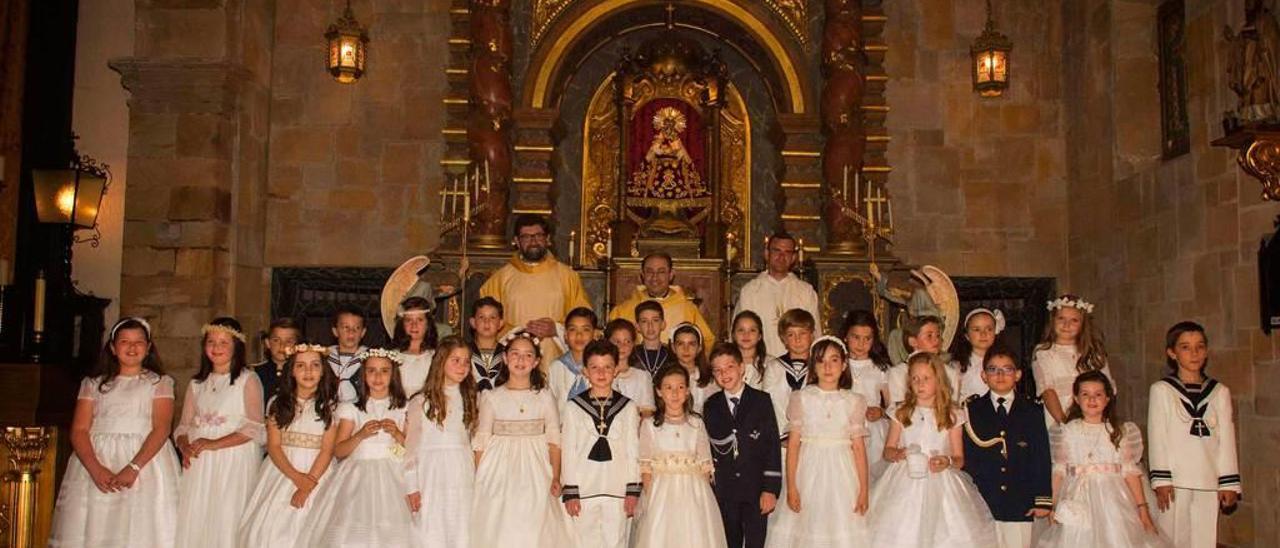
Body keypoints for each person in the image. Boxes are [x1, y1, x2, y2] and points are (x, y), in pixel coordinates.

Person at [49, 317, 181, 547]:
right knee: (97, 525)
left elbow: (161, 428)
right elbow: (79, 430)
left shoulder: (159, 382)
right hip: (98, 460)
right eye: (124, 342)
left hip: (145, 462)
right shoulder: (93, 384)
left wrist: (133, 467)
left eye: (139, 342)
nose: (132, 347)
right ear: (112, 347)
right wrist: (95, 468)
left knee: (139, 528)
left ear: (148, 347)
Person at [867, 352, 996, 547]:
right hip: (905, 478)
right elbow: (888, 450)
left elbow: (959, 458)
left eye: (926, 379)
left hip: (941, 480)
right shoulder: (901, 411)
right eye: (915, 379)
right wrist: (898, 453)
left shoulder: (952, 414)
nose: (920, 384)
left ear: (938, 381)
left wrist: (948, 461)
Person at [1037, 371, 1168, 548]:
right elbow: (1059, 471)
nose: (1092, 399)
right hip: (1077, 497)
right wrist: (1052, 505)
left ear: (1107, 399)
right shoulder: (1067, 432)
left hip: (1113, 500)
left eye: (1098, 394)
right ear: (1076, 398)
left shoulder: (1119, 431)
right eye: (1085, 394)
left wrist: (1142, 508)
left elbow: (1129, 472)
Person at [470, 331, 577, 547]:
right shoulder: (491, 397)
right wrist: (478, 478)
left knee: (535, 525)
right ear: (506, 358)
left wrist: (556, 476)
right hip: (499, 470)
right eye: (515, 354)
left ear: (536, 361)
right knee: (502, 524)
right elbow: (482, 440)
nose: (521, 360)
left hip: (536, 469)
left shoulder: (545, 396)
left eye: (528, 355)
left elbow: (554, 440)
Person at [298, 348, 415, 547]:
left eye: (384, 371)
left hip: (393, 475)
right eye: (371, 371)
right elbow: (339, 451)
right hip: (356, 474)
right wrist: (360, 435)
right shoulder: (351, 408)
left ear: (393, 374)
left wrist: (396, 434)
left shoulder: (403, 408)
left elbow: (409, 451)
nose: (378, 377)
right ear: (363, 374)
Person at [765, 336, 870, 548]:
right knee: (806, 527)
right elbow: (793, 446)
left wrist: (864, 490)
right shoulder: (801, 397)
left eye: (834, 360)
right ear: (813, 366)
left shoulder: (854, 401)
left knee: (842, 526)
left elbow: (859, 448)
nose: (828, 367)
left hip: (843, 474)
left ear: (844, 365)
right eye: (821, 361)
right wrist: (792, 487)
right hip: (809, 471)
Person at [174, 317, 267, 548]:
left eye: (224, 342)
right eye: (211, 342)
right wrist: (185, 445)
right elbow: (183, 426)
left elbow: (254, 427)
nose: (216, 348)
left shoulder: (247, 379)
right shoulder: (197, 384)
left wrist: (213, 443)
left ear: (236, 346)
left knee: (227, 514)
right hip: (200, 460)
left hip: (233, 458)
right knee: (199, 514)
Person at [1148, 322, 1241, 548]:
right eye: (1185, 347)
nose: (1194, 353)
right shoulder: (1162, 390)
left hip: (1208, 477)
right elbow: (1157, 435)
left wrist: (1228, 482)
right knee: (1172, 537)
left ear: (1207, 351)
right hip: (1175, 480)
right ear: (1172, 353)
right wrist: (1161, 479)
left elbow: (1227, 439)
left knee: (1204, 538)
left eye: (1200, 346)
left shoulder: (1219, 392)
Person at [239, 343, 339, 546]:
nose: (308, 371)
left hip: (318, 472)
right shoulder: (278, 404)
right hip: (283, 470)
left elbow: (327, 450)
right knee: (273, 530)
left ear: (323, 371)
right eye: (301, 366)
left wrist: (308, 483)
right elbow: (274, 446)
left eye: (315, 365)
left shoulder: (332, 406)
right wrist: (296, 478)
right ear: (291, 371)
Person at [961, 345, 1052, 548]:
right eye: (993, 369)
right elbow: (968, 458)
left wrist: (1043, 498)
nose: (1000, 375)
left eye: (1007, 369)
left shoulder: (1032, 410)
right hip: (983, 500)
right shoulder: (972, 410)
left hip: (1019, 499)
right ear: (984, 376)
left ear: (1018, 374)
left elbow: (1041, 456)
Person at [633, 366, 727, 548]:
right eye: (668, 387)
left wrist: (701, 498)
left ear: (688, 390)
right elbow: (645, 466)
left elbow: (705, 463)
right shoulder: (650, 425)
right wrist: (651, 498)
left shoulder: (696, 423)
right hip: (662, 494)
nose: (675, 393)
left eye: (680, 387)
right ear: (659, 391)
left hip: (693, 493)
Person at [479, 214, 592, 366]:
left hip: (556, 359)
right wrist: (521, 332)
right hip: (516, 359)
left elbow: (584, 320)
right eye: (526, 237)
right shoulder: (499, 279)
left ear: (548, 239)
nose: (533, 241)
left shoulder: (568, 276)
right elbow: (486, 325)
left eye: (538, 235)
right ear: (517, 242)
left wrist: (557, 329)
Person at [561, 340, 642, 548]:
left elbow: (633, 450)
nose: (601, 373)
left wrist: (633, 490)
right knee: (581, 542)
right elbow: (569, 450)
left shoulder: (628, 406)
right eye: (594, 367)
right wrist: (570, 490)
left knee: (616, 542)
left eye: (607, 367)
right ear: (585, 371)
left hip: (617, 489)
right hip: (584, 488)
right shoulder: (573, 407)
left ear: (616, 370)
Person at [703, 343, 782, 548]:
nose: (724, 374)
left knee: (756, 542)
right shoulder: (711, 405)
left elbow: (771, 446)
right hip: (725, 491)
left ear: (741, 368)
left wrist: (770, 489)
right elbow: (709, 448)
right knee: (729, 542)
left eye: (729, 367)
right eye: (718, 370)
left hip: (756, 489)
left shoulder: (761, 401)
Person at [405, 336, 478, 548]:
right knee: (432, 528)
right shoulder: (421, 402)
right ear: (441, 361)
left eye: (466, 361)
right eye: (456, 360)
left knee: (461, 527)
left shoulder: (471, 398)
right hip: (431, 474)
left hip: (462, 471)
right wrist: (412, 486)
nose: (462, 366)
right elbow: (409, 449)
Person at [733, 232, 822, 357]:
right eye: (777, 251)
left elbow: (815, 333)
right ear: (767, 254)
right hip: (760, 363)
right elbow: (738, 332)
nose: (781, 256)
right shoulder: (750, 291)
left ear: (793, 258)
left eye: (787, 252)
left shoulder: (805, 291)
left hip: (798, 363)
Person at [1032, 295, 1112, 427]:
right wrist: (1064, 423)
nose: (1066, 325)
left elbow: (1107, 389)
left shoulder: (1094, 352)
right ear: (1053, 321)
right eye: (1061, 318)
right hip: (1061, 417)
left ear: (1083, 324)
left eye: (1074, 320)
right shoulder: (1044, 352)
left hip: (1094, 417)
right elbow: (1047, 390)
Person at [608, 252, 715, 345]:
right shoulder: (622, 310)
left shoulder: (688, 309)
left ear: (671, 275)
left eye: (661, 272)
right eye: (650, 272)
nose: (655, 277)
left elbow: (706, 341)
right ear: (642, 275)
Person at [841, 310, 893, 482]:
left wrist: (881, 412)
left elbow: (893, 406)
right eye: (856, 337)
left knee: (873, 477)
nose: (861, 343)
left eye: (867, 338)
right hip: (844, 426)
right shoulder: (838, 363)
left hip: (872, 430)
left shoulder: (880, 367)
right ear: (846, 336)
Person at [731, 311, 788, 445]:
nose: (746, 335)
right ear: (733, 335)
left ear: (760, 336)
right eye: (741, 330)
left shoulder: (773, 365)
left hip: (762, 433)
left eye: (752, 330)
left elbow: (777, 403)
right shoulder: (725, 364)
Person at [886, 315, 947, 405]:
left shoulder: (948, 371)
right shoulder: (898, 373)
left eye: (938, 335)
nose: (936, 340)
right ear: (913, 342)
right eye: (929, 336)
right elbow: (897, 409)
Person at [549, 307, 598, 415]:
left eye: (585, 329)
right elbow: (550, 406)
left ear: (594, 334)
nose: (579, 335)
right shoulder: (556, 367)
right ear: (565, 335)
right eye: (573, 329)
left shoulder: (602, 366)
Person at [605, 318, 657, 417]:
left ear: (633, 344)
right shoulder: (601, 374)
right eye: (617, 342)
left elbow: (647, 412)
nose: (622, 346)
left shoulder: (642, 377)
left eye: (627, 341)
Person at [951, 308, 1004, 401]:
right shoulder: (957, 366)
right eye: (977, 329)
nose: (983, 334)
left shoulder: (1004, 362)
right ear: (967, 335)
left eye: (989, 329)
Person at [393, 296, 438, 398]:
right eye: (409, 320)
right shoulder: (393, 356)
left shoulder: (435, 356)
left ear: (428, 324)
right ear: (402, 324)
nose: (414, 325)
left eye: (420, 320)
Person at [253, 317, 301, 406]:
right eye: (276, 340)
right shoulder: (255, 372)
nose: (282, 345)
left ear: (297, 345)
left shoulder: (301, 373)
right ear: (268, 343)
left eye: (289, 341)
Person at [672, 322, 718, 413]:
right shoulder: (664, 377)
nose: (686, 349)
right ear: (673, 348)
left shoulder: (711, 380)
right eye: (681, 344)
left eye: (691, 344)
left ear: (699, 348)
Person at [328, 304, 370, 404]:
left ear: (363, 332)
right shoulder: (325, 356)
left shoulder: (369, 357)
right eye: (345, 327)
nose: (351, 332)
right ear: (335, 331)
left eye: (357, 328)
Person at [468, 296, 506, 392]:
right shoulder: (464, 352)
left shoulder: (507, 353)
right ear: (473, 322)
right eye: (481, 317)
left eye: (492, 317)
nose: (487, 322)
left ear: (501, 323)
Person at [634, 300, 676, 376]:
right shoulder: (632, 354)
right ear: (637, 326)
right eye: (644, 321)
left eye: (655, 320)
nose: (650, 326)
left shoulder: (672, 354)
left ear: (663, 324)